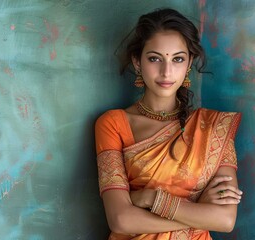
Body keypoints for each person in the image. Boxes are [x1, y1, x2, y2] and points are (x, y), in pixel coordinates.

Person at [95, 8, 243, 240]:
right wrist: (197, 209)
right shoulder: (113, 124)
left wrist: (150, 198)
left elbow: (224, 220)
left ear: (189, 63)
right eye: (155, 58)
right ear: (137, 61)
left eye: (178, 59)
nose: (167, 71)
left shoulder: (214, 127)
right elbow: (121, 220)